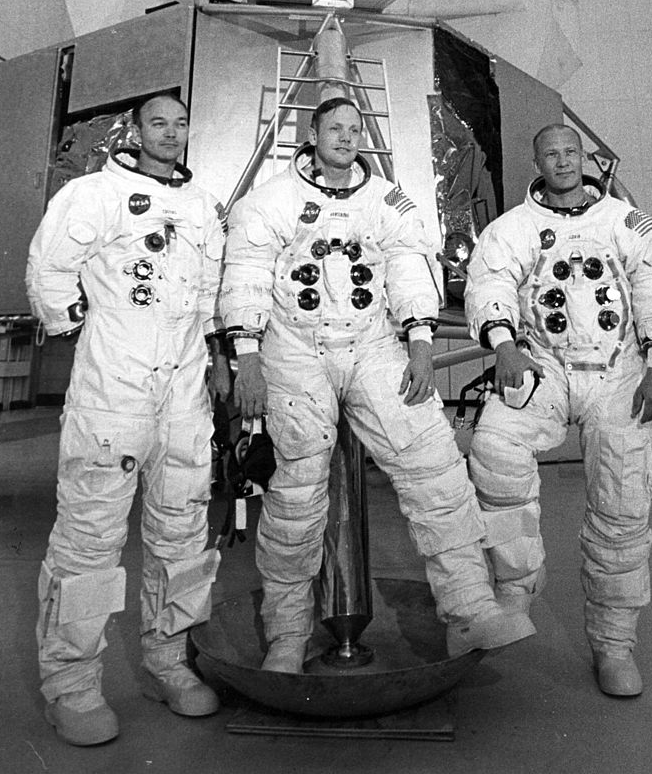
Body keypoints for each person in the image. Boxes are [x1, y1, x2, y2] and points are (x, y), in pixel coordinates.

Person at [221, 97, 534, 673]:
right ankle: (287, 637)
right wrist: (248, 358)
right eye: (334, 128)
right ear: (312, 133)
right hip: (294, 353)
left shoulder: (388, 201)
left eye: (354, 129)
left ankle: (469, 610)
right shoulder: (269, 202)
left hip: (371, 348)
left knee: (435, 464)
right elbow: (244, 275)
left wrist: (419, 345)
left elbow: (412, 268)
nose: (345, 137)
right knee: (295, 495)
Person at [27, 92, 231, 746]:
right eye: (157, 123)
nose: (169, 134)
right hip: (114, 384)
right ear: (135, 130)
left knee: (181, 529)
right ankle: (71, 684)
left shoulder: (202, 206)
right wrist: (75, 326)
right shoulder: (94, 194)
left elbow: (210, 292)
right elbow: (50, 269)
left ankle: (167, 661)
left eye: (178, 123)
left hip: (184, 382)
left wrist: (217, 354)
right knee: (91, 535)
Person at [464, 123, 652, 697]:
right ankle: (517, 582)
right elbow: (490, 282)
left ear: (583, 158)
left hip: (620, 374)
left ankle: (614, 646)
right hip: (545, 364)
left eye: (570, 152)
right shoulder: (511, 229)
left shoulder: (628, 223)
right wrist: (504, 346)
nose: (562, 161)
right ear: (537, 162)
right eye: (551, 154)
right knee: (494, 445)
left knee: (621, 503)